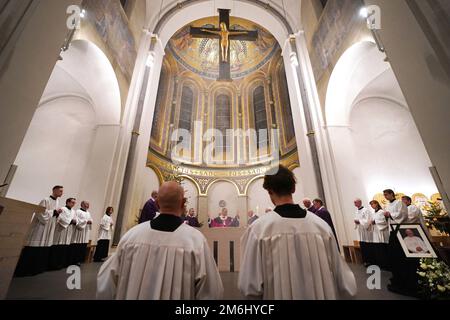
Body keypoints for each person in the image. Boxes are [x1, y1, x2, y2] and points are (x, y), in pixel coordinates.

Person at [238, 166, 356, 299]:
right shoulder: (321, 227)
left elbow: (249, 286)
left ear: (269, 191)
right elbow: (345, 282)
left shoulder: (258, 230)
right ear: (293, 188)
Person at [97, 182, 224, 300]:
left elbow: (105, 286)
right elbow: (212, 291)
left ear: (157, 203)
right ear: (183, 203)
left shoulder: (130, 237)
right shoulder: (195, 241)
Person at [14, 186, 64, 277]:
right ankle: (26, 270)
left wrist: (57, 213)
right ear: (54, 190)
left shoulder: (57, 201)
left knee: (43, 248)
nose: (62, 193)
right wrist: (54, 212)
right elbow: (40, 213)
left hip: (48, 227)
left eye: (62, 191)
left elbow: (54, 214)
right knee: (34, 247)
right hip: (40, 226)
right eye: (60, 191)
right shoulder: (45, 200)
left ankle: (37, 268)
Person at [383, 189, 418, 296]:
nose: (385, 196)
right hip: (392, 231)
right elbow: (388, 218)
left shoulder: (399, 202)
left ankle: (404, 277)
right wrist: (386, 215)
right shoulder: (387, 205)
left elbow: (402, 215)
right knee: (394, 255)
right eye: (384, 195)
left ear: (391, 194)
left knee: (401, 255)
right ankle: (397, 275)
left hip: (400, 230)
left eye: (386, 194)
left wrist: (390, 214)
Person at [49, 198, 77, 270]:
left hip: (68, 231)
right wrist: (70, 221)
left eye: (74, 203)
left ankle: (61, 263)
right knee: (58, 246)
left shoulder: (73, 211)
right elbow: (60, 218)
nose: (73, 204)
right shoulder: (62, 209)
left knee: (64, 247)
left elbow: (75, 219)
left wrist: (75, 221)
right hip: (61, 230)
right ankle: (54, 264)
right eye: (72, 202)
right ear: (67, 202)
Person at [71, 201, 93, 266]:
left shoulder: (88, 213)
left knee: (82, 245)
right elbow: (77, 220)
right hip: (79, 231)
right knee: (77, 245)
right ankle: (74, 260)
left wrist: (90, 221)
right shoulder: (78, 211)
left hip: (85, 231)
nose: (88, 205)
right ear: (82, 204)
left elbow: (91, 219)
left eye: (88, 204)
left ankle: (80, 260)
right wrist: (86, 221)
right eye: (86, 204)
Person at [370, 200, 390, 270]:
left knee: (383, 248)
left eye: (373, 204)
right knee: (378, 248)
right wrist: (372, 222)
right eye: (371, 205)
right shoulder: (374, 213)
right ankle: (381, 264)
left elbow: (384, 221)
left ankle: (386, 264)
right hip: (376, 231)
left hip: (382, 231)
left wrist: (375, 221)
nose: (372, 206)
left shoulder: (381, 211)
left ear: (377, 204)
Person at [354, 199, 374, 266]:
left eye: (355, 202)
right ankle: (365, 260)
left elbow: (368, 220)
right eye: (354, 203)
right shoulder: (356, 211)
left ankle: (371, 261)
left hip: (366, 230)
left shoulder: (366, 210)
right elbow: (357, 219)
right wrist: (356, 221)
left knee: (367, 245)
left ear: (360, 202)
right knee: (363, 245)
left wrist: (359, 221)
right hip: (360, 231)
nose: (354, 204)